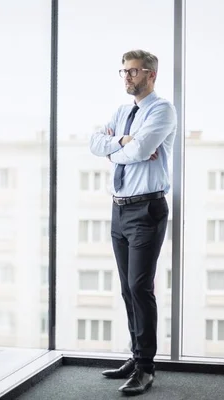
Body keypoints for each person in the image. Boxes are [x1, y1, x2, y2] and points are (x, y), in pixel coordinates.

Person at [88, 49, 177, 395]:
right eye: (123, 71)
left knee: (140, 286)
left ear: (151, 75)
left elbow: (141, 153)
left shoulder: (162, 110)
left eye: (133, 71)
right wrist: (120, 143)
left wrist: (117, 149)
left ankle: (146, 368)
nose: (126, 77)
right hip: (119, 208)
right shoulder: (122, 112)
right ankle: (136, 354)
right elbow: (94, 142)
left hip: (146, 209)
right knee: (127, 288)